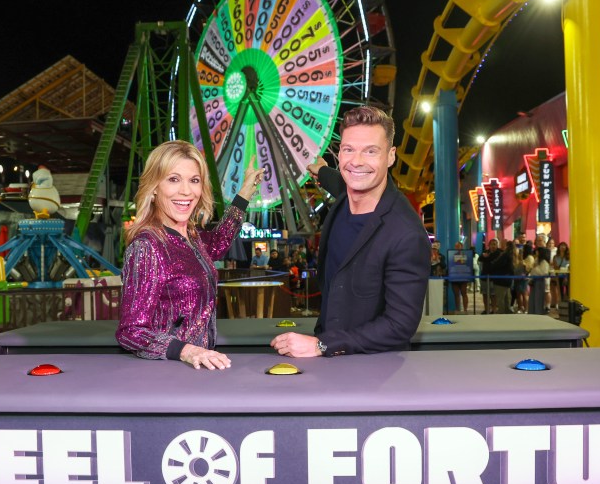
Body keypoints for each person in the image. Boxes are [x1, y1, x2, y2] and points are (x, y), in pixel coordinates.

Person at [270, 106, 430, 357]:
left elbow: (400, 325)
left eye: (371, 151)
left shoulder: (406, 234)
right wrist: (321, 170)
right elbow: (339, 179)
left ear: (390, 156)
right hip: (328, 366)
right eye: (348, 150)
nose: (356, 161)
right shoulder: (346, 194)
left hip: (374, 372)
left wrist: (321, 345)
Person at [116, 140, 261, 370]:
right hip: (169, 373)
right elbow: (131, 331)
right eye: (173, 179)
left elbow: (218, 244)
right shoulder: (148, 246)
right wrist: (186, 350)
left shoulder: (190, 235)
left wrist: (243, 194)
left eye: (194, 180)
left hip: (200, 368)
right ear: (154, 187)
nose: (186, 191)